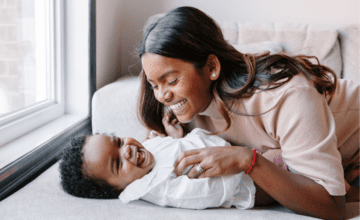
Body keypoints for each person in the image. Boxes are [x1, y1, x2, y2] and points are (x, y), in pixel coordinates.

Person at [137, 6, 359, 220]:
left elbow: (332, 207)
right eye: (154, 85)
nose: (162, 96)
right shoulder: (180, 110)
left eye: (172, 81)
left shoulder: (283, 95)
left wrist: (249, 160)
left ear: (212, 67)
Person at [58, 112, 256, 209]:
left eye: (118, 142)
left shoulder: (146, 153)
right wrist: (238, 163)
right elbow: (205, 193)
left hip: (238, 151)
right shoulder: (158, 187)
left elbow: (172, 153)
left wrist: (175, 138)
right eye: (118, 163)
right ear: (117, 189)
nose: (126, 149)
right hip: (247, 181)